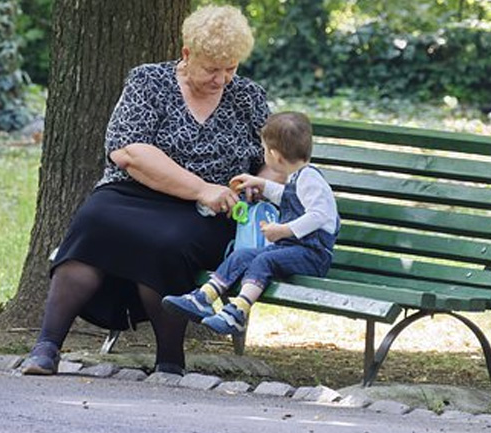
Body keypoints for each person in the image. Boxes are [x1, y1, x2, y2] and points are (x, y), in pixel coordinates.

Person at [20, 5, 277, 376]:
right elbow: (129, 151)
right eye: (211, 68)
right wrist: (200, 187)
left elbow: (273, 158)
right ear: (187, 54)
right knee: (94, 221)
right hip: (134, 193)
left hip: (207, 213)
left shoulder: (248, 97)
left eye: (231, 68)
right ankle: (46, 347)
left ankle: (170, 360)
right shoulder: (149, 81)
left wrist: (260, 182)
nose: (222, 79)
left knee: (168, 242)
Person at [162, 112, 340, 335]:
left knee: (265, 260)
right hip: (293, 250)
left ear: (274, 155)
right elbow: (288, 197)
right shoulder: (299, 177)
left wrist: (283, 230)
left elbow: (320, 215)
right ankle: (203, 298)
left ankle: (238, 312)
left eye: (264, 150)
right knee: (242, 255)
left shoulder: (310, 179)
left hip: (313, 256)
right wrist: (261, 184)